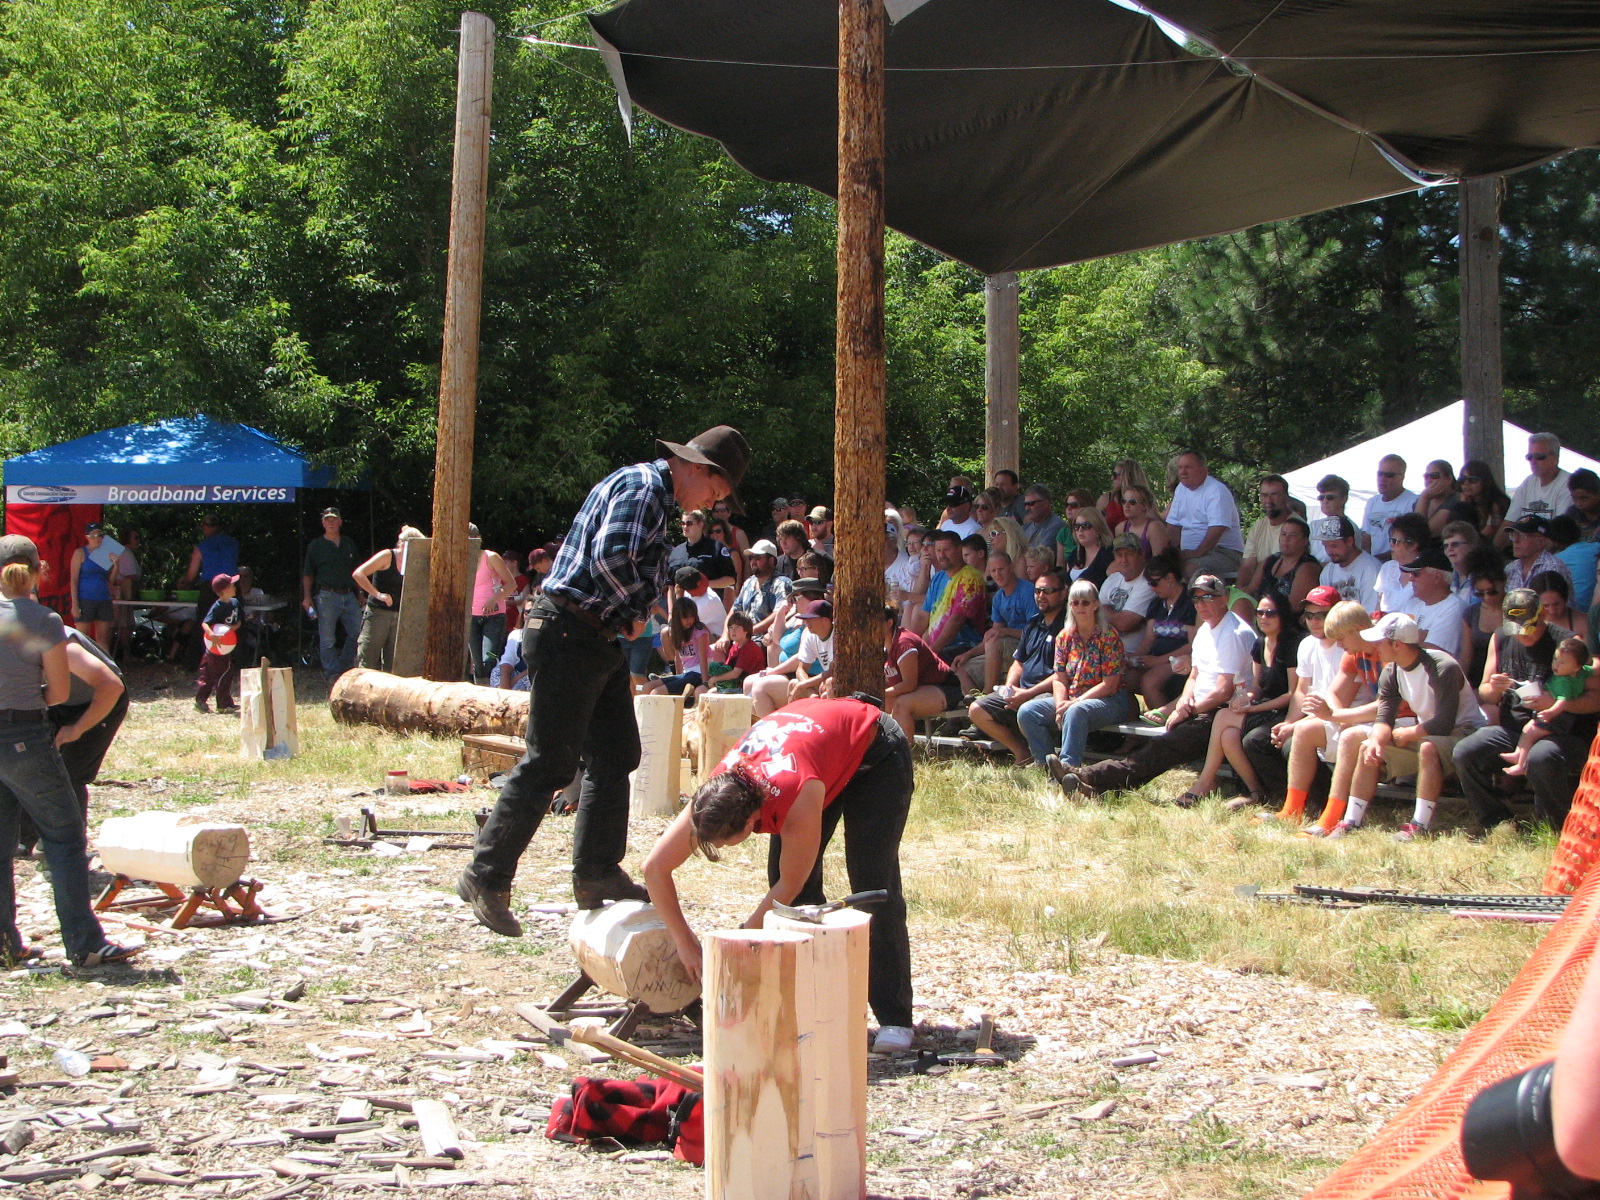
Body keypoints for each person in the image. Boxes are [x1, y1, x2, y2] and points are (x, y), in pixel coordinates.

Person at [459, 424, 750, 931]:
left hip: (594, 635)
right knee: (550, 761)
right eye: (715, 491)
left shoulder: (654, 498)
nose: (709, 504)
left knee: (617, 754)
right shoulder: (643, 490)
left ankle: (596, 872)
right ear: (700, 470)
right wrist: (640, 610)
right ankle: (486, 875)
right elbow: (611, 559)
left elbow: (626, 564)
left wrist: (635, 611)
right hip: (570, 630)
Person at [642, 696, 916, 1052]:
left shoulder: (795, 793)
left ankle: (895, 1019)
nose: (722, 848)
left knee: (872, 883)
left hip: (875, 750)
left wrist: (739, 939)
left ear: (754, 820)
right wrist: (684, 941)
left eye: (727, 842)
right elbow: (654, 869)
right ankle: (813, 1003)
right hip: (816, 755)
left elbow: (792, 881)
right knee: (791, 899)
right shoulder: (717, 792)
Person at [0, 536, 137, 968]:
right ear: (39, 572)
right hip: (23, 733)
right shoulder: (45, 620)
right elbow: (59, 692)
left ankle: (6, 944)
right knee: (63, 837)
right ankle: (84, 941)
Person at [1057, 574, 1256, 801]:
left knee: (1160, 749)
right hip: (1201, 709)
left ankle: (1087, 776)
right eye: (1197, 599)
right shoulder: (1205, 630)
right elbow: (1194, 676)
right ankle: (1093, 785)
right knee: (1158, 749)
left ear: (1224, 599)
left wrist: (1187, 710)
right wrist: (1181, 703)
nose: (1201, 604)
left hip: (1223, 713)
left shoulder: (1233, 633)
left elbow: (1223, 692)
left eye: (1208, 597)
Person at [1453, 587, 1600, 834]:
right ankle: (1496, 820)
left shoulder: (1568, 645)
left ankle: (1554, 829)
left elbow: (1596, 699)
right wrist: (1495, 687)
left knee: (1540, 757)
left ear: (1542, 615)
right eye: (1516, 628)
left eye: (1527, 627)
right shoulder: (1500, 638)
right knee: (1465, 751)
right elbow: (1485, 691)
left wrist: (1553, 703)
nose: (1522, 635)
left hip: (1563, 732)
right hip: (1514, 728)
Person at [1341, 612, 1488, 841]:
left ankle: (1420, 825)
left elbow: (1444, 721)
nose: (1375, 646)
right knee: (1366, 747)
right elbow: (1384, 717)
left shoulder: (1442, 666)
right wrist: (1377, 742)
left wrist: (1409, 733)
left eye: (1380, 641)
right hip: (1431, 734)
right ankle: (1352, 820)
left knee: (1428, 746)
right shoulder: (1392, 671)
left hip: (1464, 734)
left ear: (1397, 644)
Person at [17, 624, 128, 859]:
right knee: (28, 764)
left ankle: (68, 846)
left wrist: (78, 728)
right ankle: (23, 837)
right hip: (58, 702)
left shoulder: (60, 644)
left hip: (100, 700)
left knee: (71, 772)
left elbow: (111, 687)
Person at [1183, 594, 1300, 806]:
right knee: (1228, 735)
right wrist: (1246, 699)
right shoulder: (1260, 644)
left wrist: (1254, 709)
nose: (1264, 617)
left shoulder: (1291, 644)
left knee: (1222, 716)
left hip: (1287, 712)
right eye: (1260, 612)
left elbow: (1292, 694)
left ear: (1282, 615)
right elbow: (1257, 686)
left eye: (1271, 613)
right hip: (1263, 708)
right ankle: (1256, 793)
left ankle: (1204, 782)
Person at [1278, 601, 1383, 836]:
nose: (1340, 644)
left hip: (1398, 720)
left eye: (1342, 638)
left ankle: (1332, 815)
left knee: (1349, 737)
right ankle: (1292, 808)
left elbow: (1385, 706)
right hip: (1367, 717)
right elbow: (1334, 693)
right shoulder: (1353, 653)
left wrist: (1337, 715)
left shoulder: (1385, 650)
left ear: (1357, 629)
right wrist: (1333, 714)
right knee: (1304, 731)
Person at [1239, 585, 1344, 812]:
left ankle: (1316, 803)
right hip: (1309, 716)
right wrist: (1287, 723)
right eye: (1309, 616)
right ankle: (1284, 798)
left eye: (1321, 615)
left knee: (1291, 745)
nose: (1314, 621)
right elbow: (1300, 691)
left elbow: (1336, 703)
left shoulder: (1345, 647)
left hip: (1336, 717)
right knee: (1255, 741)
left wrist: (1294, 726)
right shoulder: (1307, 644)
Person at [1035, 580, 1135, 788]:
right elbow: (1059, 677)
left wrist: (1073, 703)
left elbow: (1110, 684)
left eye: (1085, 602)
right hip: (1072, 698)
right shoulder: (1064, 637)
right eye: (1075, 603)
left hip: (1110, 700)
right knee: (1028, 712)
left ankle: (1068, 770)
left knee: (1076, 711)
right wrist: (1061, 704)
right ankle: (1046, 766)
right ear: (1070, 606)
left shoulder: (1109, 636)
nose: (1080, 607)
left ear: (1096, 605)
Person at [969, 568, 1067, 766]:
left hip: (1048, 693)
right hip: (1022, 690)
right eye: (1038, 591)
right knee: (976, 709)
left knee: (1029, 709)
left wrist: (1027, 693)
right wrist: (1011, 688)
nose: (1041, 596)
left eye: (1048, 591)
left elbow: (1062, 674)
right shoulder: (1032, 624)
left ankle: (1047, 764)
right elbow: (1018, 661)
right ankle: (1022, 753)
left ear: (1064, 593)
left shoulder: (1068, 627)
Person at [1501, 636, 1591, 777]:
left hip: (1558, 719)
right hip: (1557, 717)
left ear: (1576, 666)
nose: (1556, 665)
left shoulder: (1565, 683)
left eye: (1562, 662)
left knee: (1529, 732)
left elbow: (1563, 702)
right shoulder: (1581, 672)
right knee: (1528, 729)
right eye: (1555, 659)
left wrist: (1550, 712)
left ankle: (1521, 765)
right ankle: (1518, 754)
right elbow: (1592, 669)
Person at [952, 551, 1035, 693]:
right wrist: (967, 655)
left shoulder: (1028, 592)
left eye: (1001, 569)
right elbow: (993, 635)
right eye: (993, 571)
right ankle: (974, 703)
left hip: (1026, 649)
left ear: (1012, 567)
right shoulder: (998, 598)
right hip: (1004, 647)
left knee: (994, 641)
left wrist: (1005, 631)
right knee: (961, 668)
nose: (998, 574)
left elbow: (1035, 635)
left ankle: (987, 694)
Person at [1127, 548, 1195, 712]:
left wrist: (1159, 661)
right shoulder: (1156, 604)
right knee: (1124, 679)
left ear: (1170, 578)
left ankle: (1167, 728)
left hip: (1182, 659)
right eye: (1148, 583)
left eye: (1154, 582)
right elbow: (1149, 639)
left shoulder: (1190, 602)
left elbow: (1192, 644)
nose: (1151, 588)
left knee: (1150, 681)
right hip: (1155, 659)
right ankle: (1133, 728)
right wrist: (1134, 659)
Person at [301, 507, 363, 682]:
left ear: (340, 522)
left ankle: (343, 667)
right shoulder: (316, 546)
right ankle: (332, 675)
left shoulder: (349, 543)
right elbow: (308, 573)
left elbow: (357, 571)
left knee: (358, 633)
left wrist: (360, 593)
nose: (331, 522)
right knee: (328, 639)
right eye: (327, 520)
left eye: (334, 519)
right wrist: (307, 597)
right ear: (323, 523)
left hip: (349, 594)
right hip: (327, 596)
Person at [883, 608, 963, 742]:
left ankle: (904, 755)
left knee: (901, 704)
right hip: (920, 690)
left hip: (945, 688)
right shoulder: (880, 645)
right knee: (881, 703)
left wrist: (881, 693)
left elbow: (909, 684)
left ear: (889, 623)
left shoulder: (903, 643)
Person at [1164, 450, 1245, 580]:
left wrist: (1196, 553)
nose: (1183, 472)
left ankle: (1199, 600)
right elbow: (1173, 525)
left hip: (1224, 552)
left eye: (1188, 467)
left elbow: (1217, 529)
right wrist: (1172, 553)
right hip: (1191, 554)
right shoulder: (1181, 489)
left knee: (1189, 568)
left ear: (1203, 470)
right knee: (1158, 568)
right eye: (1180, 468)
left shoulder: (1216, 491)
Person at [746, 599, 834, 717]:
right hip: (817, 682)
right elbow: (801, 669)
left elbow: (833, 670)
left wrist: (805, 685)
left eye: (812, 619)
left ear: (825, 620)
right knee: (793, 683)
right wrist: (808, 688)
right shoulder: (810, 635)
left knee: (829, 683)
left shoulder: (838, 636)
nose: (807, 623)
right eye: (806, 620)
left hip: (835, 682)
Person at [352, 527, 423, 673]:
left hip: (400, 617)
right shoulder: (387, 556)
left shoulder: (414, 562)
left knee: (394, 663)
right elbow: (358, 574)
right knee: (368, 658)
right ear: (402, 543)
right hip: (378, 614)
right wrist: (378, 594)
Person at [920, 530, 986, 659]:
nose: (942, 555)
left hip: (964, 645)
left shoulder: (970, 577)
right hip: (938, 645)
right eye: (938, 550)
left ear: (959, 549)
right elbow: (925, 616)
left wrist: (930, 654)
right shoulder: (938, 577)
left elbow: (956, 621)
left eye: (946, 550)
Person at [1401, 545, 1468, 659]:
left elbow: (1432, 654)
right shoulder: (1412, 603)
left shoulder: (1454, 607)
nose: (1411, 578)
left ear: (1437, 577)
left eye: (1416, 574)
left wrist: (1403, 640)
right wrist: (1417, 639)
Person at [645, 596, 712, 702]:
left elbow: (703, 657)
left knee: (656, 693)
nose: (689, 620)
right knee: (647, 687)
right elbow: (678, 658)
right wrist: (677, 677)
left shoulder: (699, 631)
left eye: (692, 616)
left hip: (698, 674)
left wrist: (705, 683)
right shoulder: (675, 632)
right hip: (685, 674)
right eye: (685, 617)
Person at [1253, 515, 1320, 617]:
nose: (1286, 539)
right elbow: (1250, 590)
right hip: (1260, 617)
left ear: (1305, 541)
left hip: (1288, 625)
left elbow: (1294, 608)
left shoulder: (1307, 567)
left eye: (1292, 535)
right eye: (1283, 534)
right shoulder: (1270, 561)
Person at [1098, 534, 1154, 654]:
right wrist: (1113, 615)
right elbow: (1093, 614)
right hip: (1101, 650)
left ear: (1141, 555)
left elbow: (1124, 624)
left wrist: (1105, 610)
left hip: (1128, 654)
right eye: (1119, 555)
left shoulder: (1148, 582)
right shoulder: (1112, 579)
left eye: (1129, 554)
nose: (1124, 560)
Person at [1238, 475, 1293, 595]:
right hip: (1258, 593)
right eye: (1264, 495)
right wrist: (1239, 593)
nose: (1268, 501)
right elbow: (1247, 566)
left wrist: (1249, 590)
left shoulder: (1295, 526)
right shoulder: (1258, 526)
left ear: (1286, 497)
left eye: (1274, 495)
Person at [195, 573, 242, 713]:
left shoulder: (235, 603)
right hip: (215, 646)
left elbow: (238, 622)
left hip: (226, 645)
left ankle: (201, 701)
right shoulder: (217, 606)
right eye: (232, 585)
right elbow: (205, 624)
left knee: (211, 674)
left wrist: (233, 628)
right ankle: (223, 704)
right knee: (222, 673)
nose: (235, 587)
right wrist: (212, 635)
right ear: (225, 590)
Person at [1505, 431, 1572, 525]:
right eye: (1529, 457)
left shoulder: (1568, 484)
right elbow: (1509, 522)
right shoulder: (1528, 482)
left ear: (1555, 458)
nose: (1533, 461)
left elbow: (1561, 530)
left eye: (1539, 456)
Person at [68, 523, 115, 652]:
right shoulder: (80, 553)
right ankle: (80, 669)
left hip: (103, 598)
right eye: (94, 535)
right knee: (82, 638)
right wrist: (75, 604)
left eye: (100, 535)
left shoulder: (106, 554)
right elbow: (73, 580)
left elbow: (111, 580)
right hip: (85, 599)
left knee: (103, 639)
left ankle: (106, 668)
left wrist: (116, 564)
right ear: (87, 537)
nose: (97, 538)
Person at [731, 539, 793, 638]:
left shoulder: (782, 583)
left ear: (772, 560)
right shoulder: (748, 582)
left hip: (765, 640)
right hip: (742, 639)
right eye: (751, 558)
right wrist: (725, 635)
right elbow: (735, 610)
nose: (753, 562)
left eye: (757, 557)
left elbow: (779, 614)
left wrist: (749, 632)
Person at [1317, 515, 1381, 610]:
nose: (1329, 551)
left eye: (1334, 546)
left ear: (1350, 541)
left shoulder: (1371, 569)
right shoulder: (1328, 571)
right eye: (1325, 546)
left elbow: (1370, 613)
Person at [1463, 553, 1508, 686]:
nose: (1487, 598)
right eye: (1480, 593)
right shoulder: (1471, 613)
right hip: (1477, 681)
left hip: (1506, 679)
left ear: (1504, 583)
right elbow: (1466, 658)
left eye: (1492, 591)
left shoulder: (1516, 610)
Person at [1361, 454, 1418, 560]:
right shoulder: (1372, 502)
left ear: (1402, 477)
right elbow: (1366, 537)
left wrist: (1375, 560)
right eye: (1380, 474)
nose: (1382, 479)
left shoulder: (1413, 502)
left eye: (1389, 475)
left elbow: (1408, 541)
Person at [1374, 512, 1430, 614]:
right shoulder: (1387, 567)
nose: (1390, 544)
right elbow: (1378, 605)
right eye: (1391, 540)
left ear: (1413, 545)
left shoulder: (1427, 573)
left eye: (1395, 541)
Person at [706, 610, 767, 693]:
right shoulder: (735, 646)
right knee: (702, 690)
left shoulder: (749, 648)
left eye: (737, 627)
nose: (733, 630)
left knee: (712, 693)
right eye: (731, 627)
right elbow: (728, 669)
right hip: (735, 683)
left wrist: (714, 679)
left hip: (749, 687)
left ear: (746, 630)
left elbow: (735, 673)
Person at [1454, 459, 1512, 545]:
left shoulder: (1497, 504)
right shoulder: (1466, 502)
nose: (1466, 484)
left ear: (1484, 481)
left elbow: (1485, 536)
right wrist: (1464, 506)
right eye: (1462, 480)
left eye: (1472, 480)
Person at [1549, 515, 1598, 611]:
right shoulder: (1595, 547)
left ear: (1554, 540)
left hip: (1575, 610)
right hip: (1595, 608)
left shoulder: (1556, 560)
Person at [1114, 484, 1171, 559]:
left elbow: (1160, 563)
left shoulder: (1154, 528)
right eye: (1123, 501)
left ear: (1144, 506)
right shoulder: (1120, 528)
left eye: (1132, 502)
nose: (1126, 505)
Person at [1532, 570, 1589, 643]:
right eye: (1546, 606)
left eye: (1556, 604)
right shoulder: (1528, 625)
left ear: (1565, 599)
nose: (1552, 611)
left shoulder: (1584, 623)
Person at [1308, 474, 1352, 564]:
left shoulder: (1350, 529)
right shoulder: (1314, 526)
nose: (1324, 501)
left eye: (1330, 497)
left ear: (1344, 499)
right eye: (1321, 498)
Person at [1097, 459, 1151, 531]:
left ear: (1128, 476)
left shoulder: (1145, 499)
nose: (1112, 478)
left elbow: (1155, 524)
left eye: (1116, 475)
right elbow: (1095, 525)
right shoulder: (1106, 499)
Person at [675, 566, 727, 639]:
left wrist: (678, 597)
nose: (703, 587)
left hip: (717, 639)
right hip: (703, 634)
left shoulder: (708, 601)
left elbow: (682, 624)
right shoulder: (686, 592)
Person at [1413, 459, 1461, 535]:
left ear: (1448, 479)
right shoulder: (1419, 500)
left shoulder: (1456, 501)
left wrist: (1424, 498)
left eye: (1434, 476)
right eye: (1426, 476)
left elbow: (1422, 534)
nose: (1428, 480)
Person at [1441, 520, 1480, 603]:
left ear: (1471, 546)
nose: (1449, 549)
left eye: (1455, 544)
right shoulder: (1449, 580)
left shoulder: (1481, 577)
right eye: (1446, 546)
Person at [1021, 484, 1066, 551]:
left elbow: (1041, 557)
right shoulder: (1025, 527)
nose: (1026, 508)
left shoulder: (1056, 526)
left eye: (1031, 503)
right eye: (1025, 504)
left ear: (1046, 503)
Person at [1565, 468, 1600, 542]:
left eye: (1584, 498)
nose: (1579, 503)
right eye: (1574, 499)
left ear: (1598, 494)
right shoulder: (1573, 513)